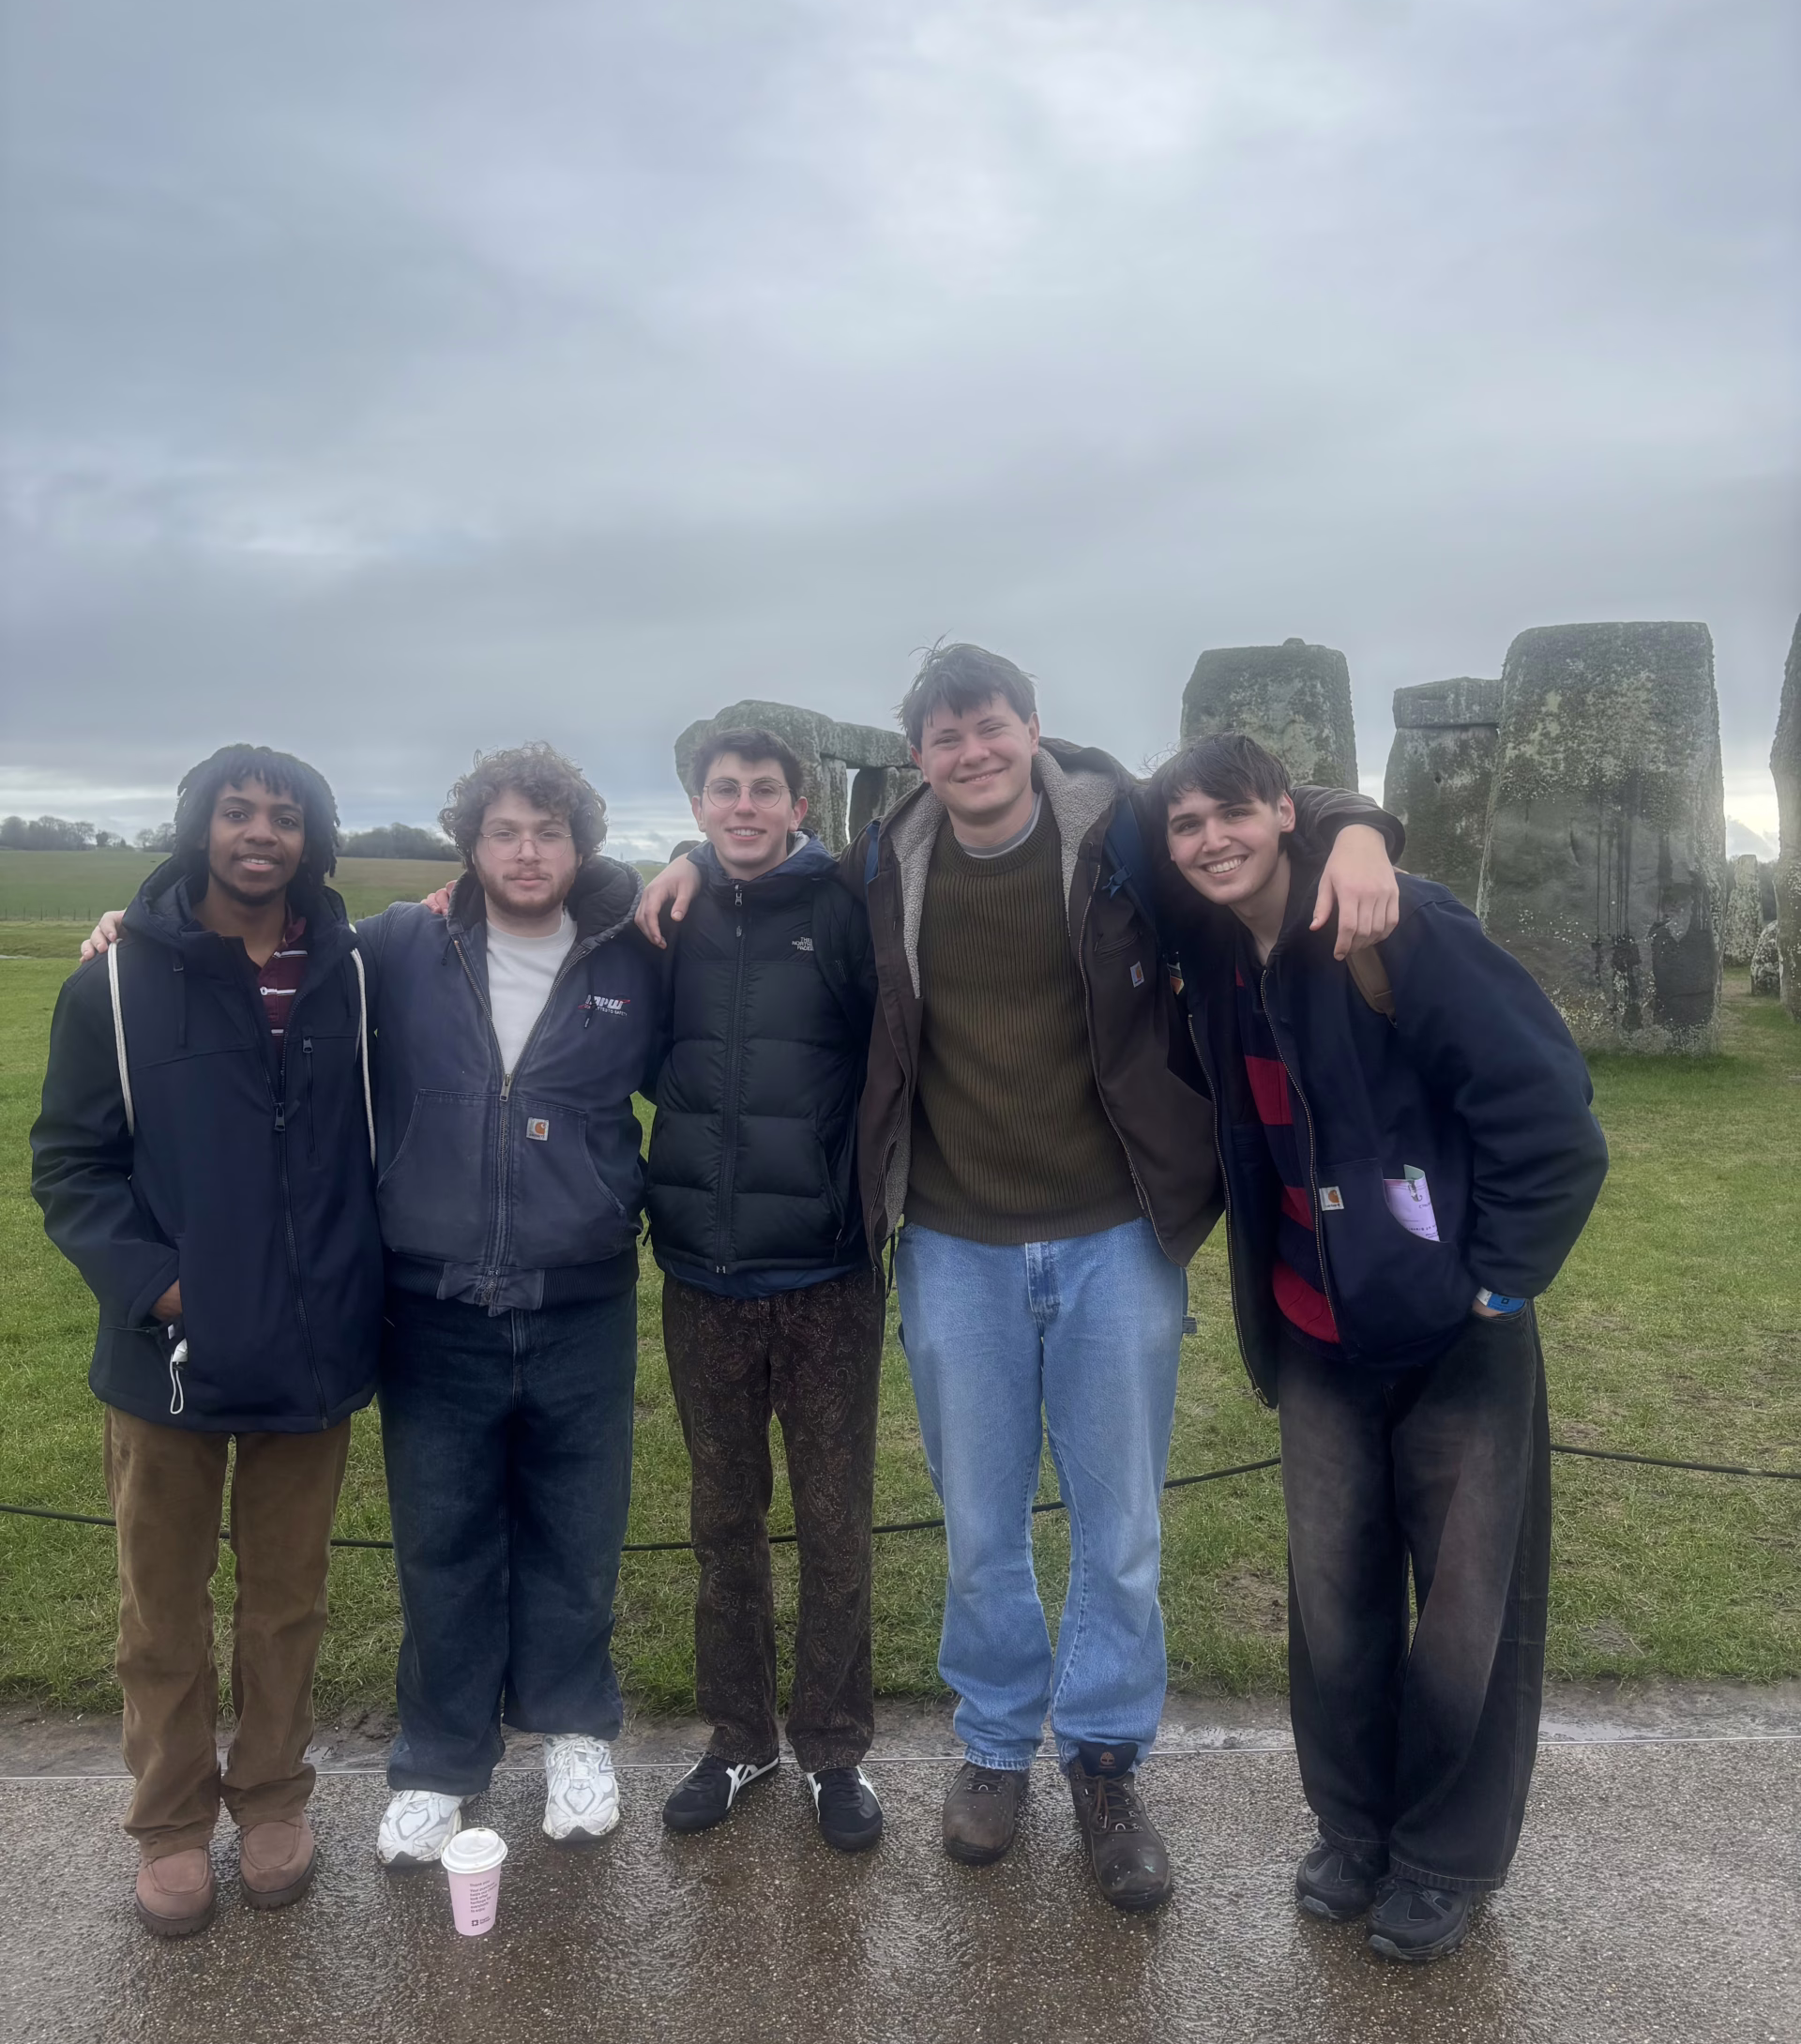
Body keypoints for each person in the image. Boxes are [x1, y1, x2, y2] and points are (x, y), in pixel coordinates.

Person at [639, 643, 1402, 1913]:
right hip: (952, 1240)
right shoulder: (887, 859)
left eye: (989, 728)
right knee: (983, 1526)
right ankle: (994, 1747)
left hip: (1113, 1230)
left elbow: (1256, 813)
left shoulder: (1121, 828)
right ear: (918, 758)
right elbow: (755, 878)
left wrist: (1360, 826)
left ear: (1032, 728)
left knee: (1123, 1529)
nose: (971, 753)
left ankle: (1105, 1765)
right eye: (945, 738)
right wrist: (674, 857)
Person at [1155, 731, 1608, 1961]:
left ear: (1284, 813)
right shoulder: (1213, 947)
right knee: (1334, 1604)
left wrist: (1501, 1288)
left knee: (1469, 1614)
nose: (1209, 840)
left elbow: (1549, 1115)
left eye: (1231, 814)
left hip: (1454, 1335)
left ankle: (1443, 1859)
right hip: (1315, 1334)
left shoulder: (1394, 926)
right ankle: (1352, 1828)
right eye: (1184, 824)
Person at [34, 747, 384, 1936]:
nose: (260, 834)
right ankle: (171, 1822)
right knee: (161, 1608)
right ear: (200, 826)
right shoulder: (116, 985)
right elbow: (71, 1168)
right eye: (238, 812)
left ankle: (275, 1797)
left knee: (287, 1600)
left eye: (285, 818)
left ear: (310, 838)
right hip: (164, 1359)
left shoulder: (358, 973)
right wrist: (163, 1290)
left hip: (314, 1351)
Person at [356, 745, 667, 1867]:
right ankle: (440, 1761)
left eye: (548, 831)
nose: (526, 851)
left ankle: (575, 1733)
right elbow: (268, 968)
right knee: (442, 1542)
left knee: (575, 1539)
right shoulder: (400, 944)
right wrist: (125, 924)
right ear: (470, 846)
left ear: (580, 845)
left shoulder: (633, 955)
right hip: (433, 1304)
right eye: (504, 832)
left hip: (580, 1297)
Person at [646, 727, 886, 1853]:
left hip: (827, 1274)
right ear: (697, 806)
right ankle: (738, 1737)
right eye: (724, 790)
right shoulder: (667, 915)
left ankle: (836, 1749)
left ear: (801, 803)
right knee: (722, 1523)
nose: (744, 806)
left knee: (835, 1526)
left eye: (765, 790)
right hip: (700, 1274)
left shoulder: (842, 906)